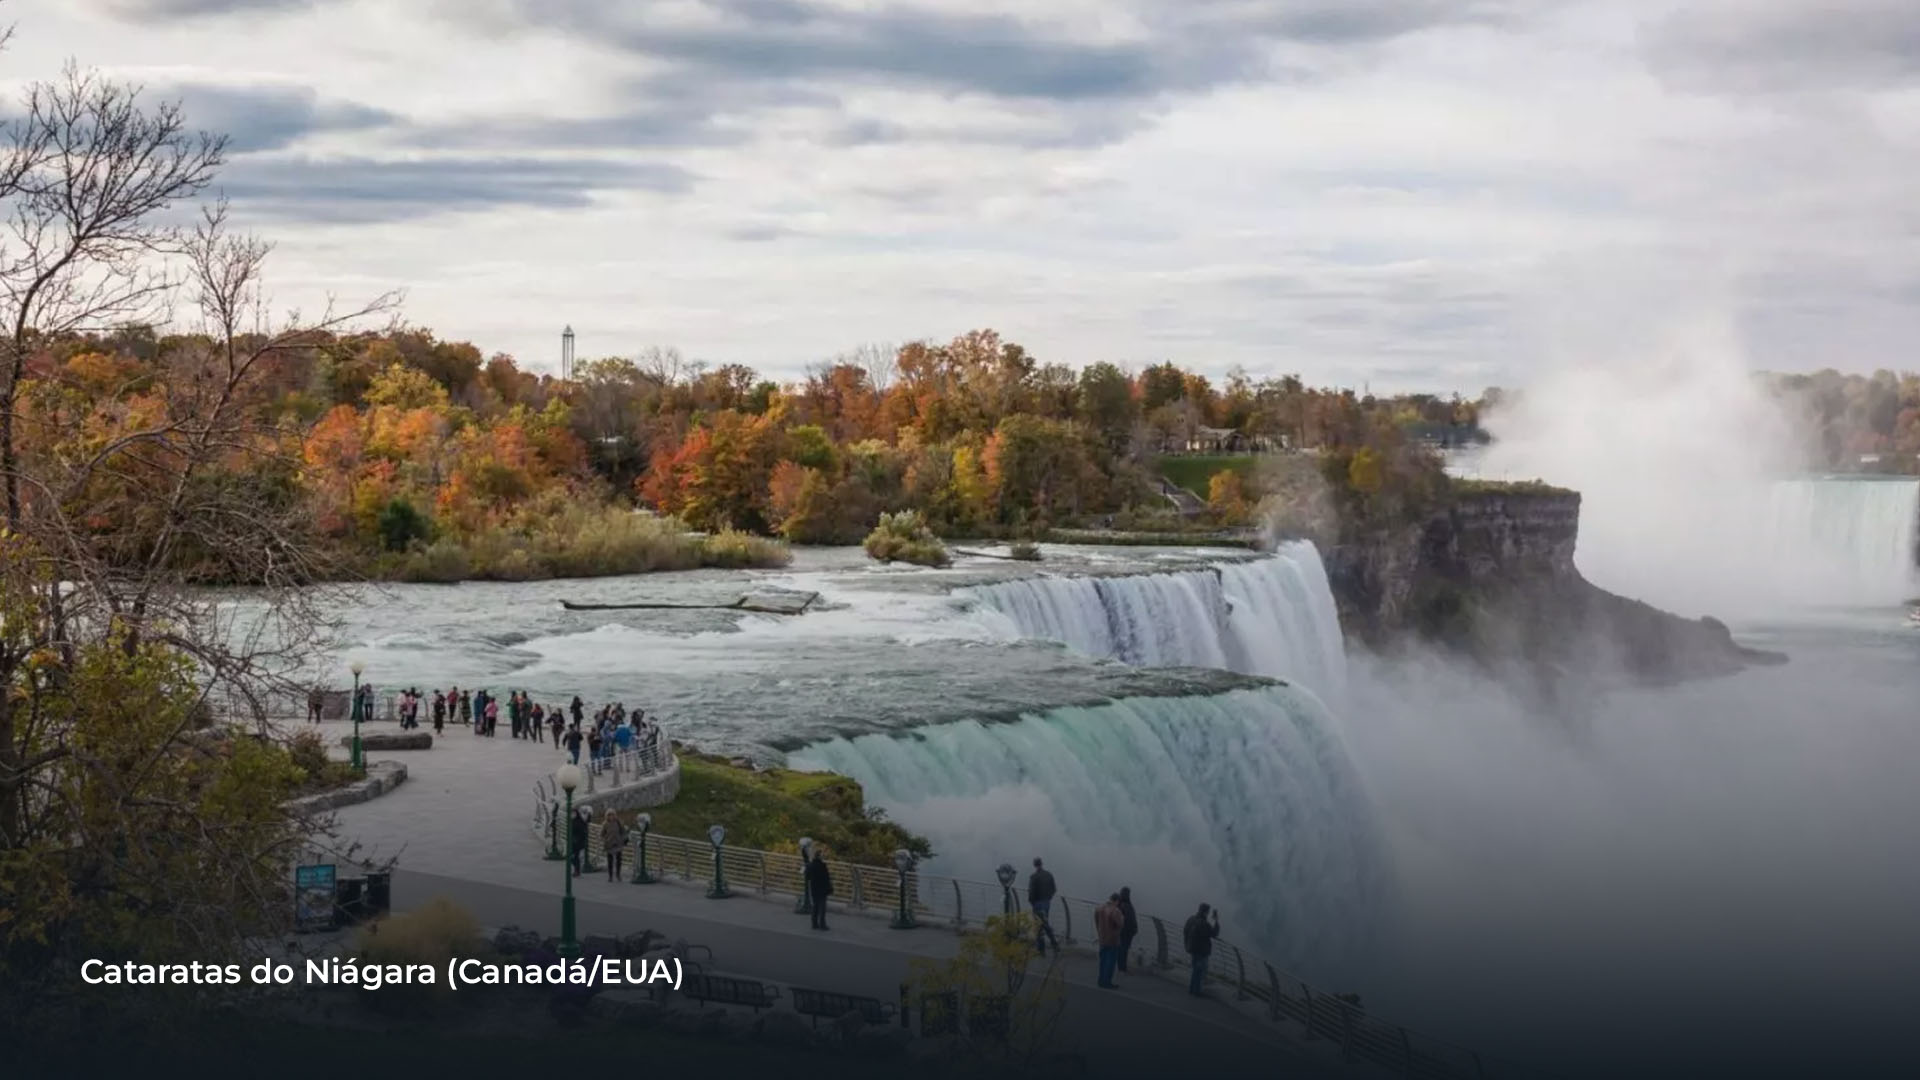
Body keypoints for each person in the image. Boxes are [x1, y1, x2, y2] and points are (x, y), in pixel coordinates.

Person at [1183, 903, 1220, 996]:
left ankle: (1192, 989)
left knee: (1195, 970)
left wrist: (1187, 944)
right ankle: (1196, 991)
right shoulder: (1203, 923)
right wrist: (1216, 921)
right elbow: (1214, 933)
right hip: (1201, 951)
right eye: (1207, 912)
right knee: (1199, 971)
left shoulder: (1191, 919)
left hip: (1192, 948)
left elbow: (1185, 931)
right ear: (1206, 912)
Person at [1027, 857, 1059, 955]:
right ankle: (1050, 946)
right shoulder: (1049, 875)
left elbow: (1031, 893)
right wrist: (1048, 899)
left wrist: (1032, 902)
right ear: (1041, 863)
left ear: (1034, 865)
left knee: (1040, 925)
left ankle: (1044, 948)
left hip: (1037, 903)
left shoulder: (1033, 877)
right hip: (1046, 903)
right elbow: (1054, 889)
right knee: (1044, 923)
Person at [1094, 893, 1125, 989]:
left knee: (1103, 961)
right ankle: (1107, 982)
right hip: (1112, 940)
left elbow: (1096, 922)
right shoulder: (1115, 911)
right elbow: (1120, 924)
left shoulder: (1099, 908)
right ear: (1117, 901)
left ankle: (1100, 980)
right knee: (1110, 962)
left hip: (1102, 938)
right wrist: (1122, 918)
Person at [804, 847, 834, 930]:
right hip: (822, 888)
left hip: (814, 888)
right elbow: (826, 878)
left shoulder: (810, 865)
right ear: (820, 856)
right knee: (822, 907)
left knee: (815, 906)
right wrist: (830, 888)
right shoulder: (823, 866)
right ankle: (822, 924)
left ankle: (814, 923)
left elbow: (807, 877)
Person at [1117, 886, 1138, 973]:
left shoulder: (1121, 904)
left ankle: (1122, 967)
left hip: (1125, 931)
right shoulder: (1126, 905)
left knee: (1123, 949)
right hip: (1127, 931)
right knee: (1123, 949)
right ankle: (1122, 968)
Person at [603, 813, 627, 882]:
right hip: (609, 844)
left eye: (612, 815)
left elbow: (623, 831)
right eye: (609, 815)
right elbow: (602, 834)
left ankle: (618, 874)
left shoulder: (618, 823)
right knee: (610, 861)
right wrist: (606, 840)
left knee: (619, 860)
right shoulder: (605, 824)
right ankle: (610, 876)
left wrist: (622, 839)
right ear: (607, 816)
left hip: (618, 843)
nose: (611, 817)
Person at [569, 807, 589, 877]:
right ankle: (577, 870)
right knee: (572, 857)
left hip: (578, 842)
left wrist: (578, 839)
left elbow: (583, 831)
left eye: (574, 813)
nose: (572, 814)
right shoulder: (572, 821)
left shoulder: (579, 821)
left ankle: (577, 871)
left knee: (575, 857)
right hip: (573, 842)